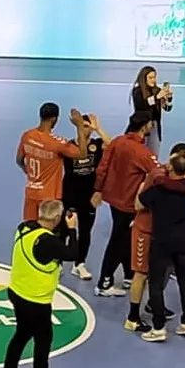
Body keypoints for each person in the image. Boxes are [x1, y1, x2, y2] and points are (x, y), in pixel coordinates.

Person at [0, 200, 79, 368]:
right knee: (44, 340)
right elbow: (72, 253)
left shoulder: (24, 228)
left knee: (22, 334)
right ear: (58, 219)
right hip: (36, 299)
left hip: (17, 292)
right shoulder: (49, 242)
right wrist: (72, 230)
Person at [125, 143, 185, 332]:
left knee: (160, 274)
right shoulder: (158, 176)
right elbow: (139, 205)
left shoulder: (181, 182)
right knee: (141, 273)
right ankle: (133, 317)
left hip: (161, 234)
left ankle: (154, 307)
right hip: (146, 230)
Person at [91, 112, 161, 297]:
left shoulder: (117, 142)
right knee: (118, 242)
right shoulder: (143, 152)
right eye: (151, 124)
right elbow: (158, 174)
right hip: (129, 203)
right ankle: (104, 282)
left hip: (114, 199)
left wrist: (98, 190)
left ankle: (129, 274)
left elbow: (102, 168)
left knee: (125, 237)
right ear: (145, 126)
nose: (152, 127)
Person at [139, 154, 185, 342]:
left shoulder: (158, 188)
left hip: (161, 242)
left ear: (171, 168)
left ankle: (158, 327)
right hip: (183, 241)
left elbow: (141, 201)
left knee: (156, 284)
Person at [16, 103, 90, 222]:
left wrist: (28, 172)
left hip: (31, 193)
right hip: (49, 198)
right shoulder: (57, 144)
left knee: (30, 228)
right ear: (54, 119)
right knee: (48, 234)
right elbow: (83, 154)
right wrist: (80, 127)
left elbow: (19, 160)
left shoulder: (27, 136)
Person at [61, 114, 112, 281]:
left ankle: (79, 264)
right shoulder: (68, 146)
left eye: (88, 127)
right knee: (64, 230)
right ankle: (57, 262)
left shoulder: (97, 145)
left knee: (85, 231)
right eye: (83, 126)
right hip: (69, 195)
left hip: (89, 197)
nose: (86, 129)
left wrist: (98, 128)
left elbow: (112, 146)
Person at [130, 66, 173, 154]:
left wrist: (169, 98)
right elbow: (142, 105)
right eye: (150, 77)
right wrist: (157, 97)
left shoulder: (157, 90)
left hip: (154, 126)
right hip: (141, 125)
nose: (153, 80)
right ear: (144, 78)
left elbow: (167, 108)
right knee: (139, 152)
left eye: (154, 77)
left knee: (154, 152)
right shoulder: (137, 91)